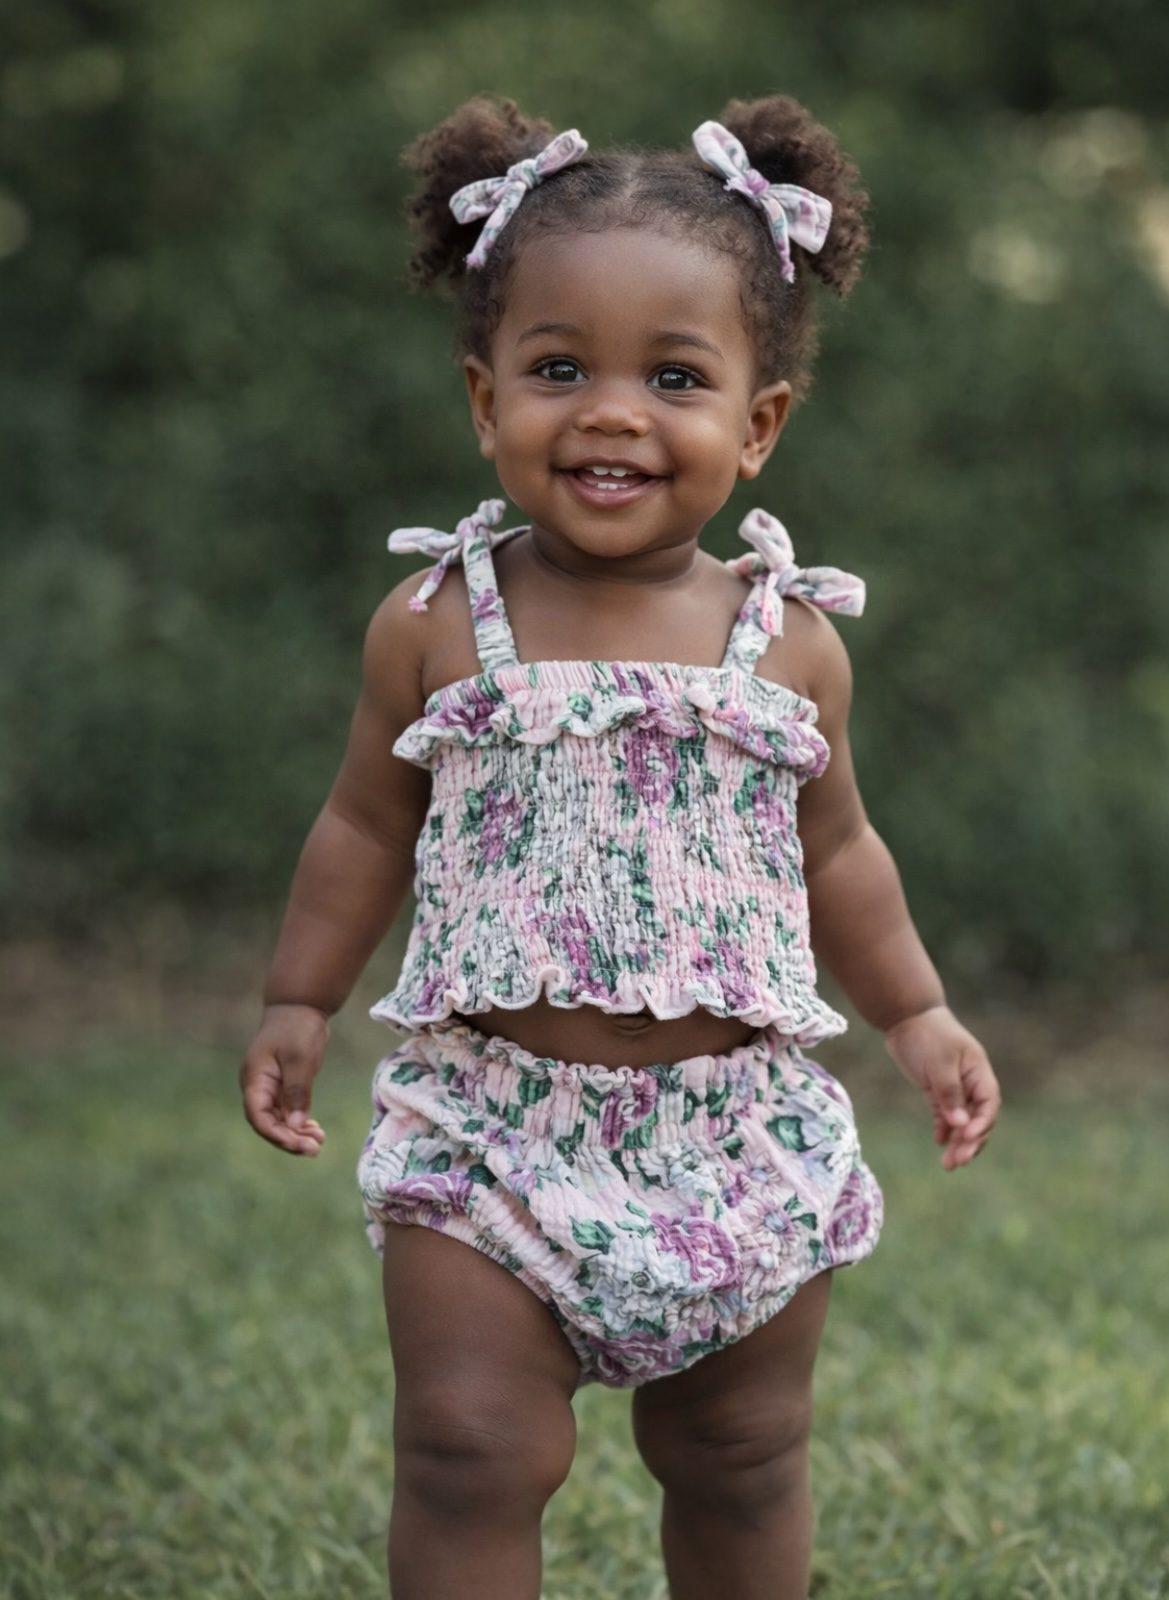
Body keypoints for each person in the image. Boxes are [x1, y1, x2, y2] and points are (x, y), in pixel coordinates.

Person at [239, 93, 1001, 1600]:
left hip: (732, 1138)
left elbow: (839, 851)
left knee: (740, 1451)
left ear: (757, 425)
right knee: (464, 1444)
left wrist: (915, 1011)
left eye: (674, 376)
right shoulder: (436, 622)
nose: (609, 411)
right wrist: (297, 999)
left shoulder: (788, 648)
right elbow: (362, 824)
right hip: (491, 1134)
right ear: (483, 399)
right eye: (556, 368)